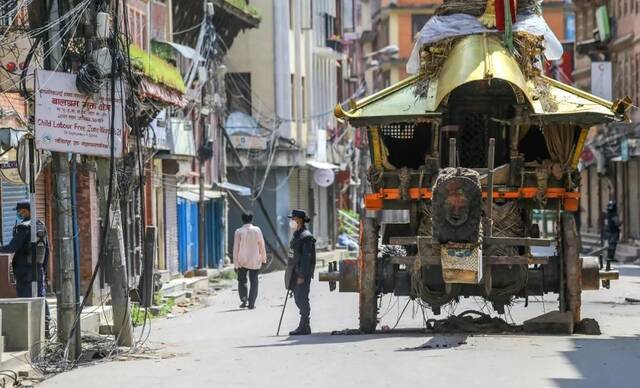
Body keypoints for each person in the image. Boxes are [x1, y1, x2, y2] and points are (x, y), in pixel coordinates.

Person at [0, 200, 50, 335]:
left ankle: (29, 333)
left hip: (24, 271)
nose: (18, 213)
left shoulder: (24, 227)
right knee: (40, 298)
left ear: (26, 211)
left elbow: (12, 247)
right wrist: (43, 270)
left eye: (19, 210)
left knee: (26, 301)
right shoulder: (40, 225)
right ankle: (45, 330)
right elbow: (47, 250)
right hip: (37, 269)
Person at [285, 209, 316, 335]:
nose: (292, 221)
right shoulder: (297, 234)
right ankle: (304, 325)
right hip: (295, 271)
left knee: (301, 298)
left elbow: (306, 257)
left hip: (302, 273)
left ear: (299, 220)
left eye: (293, 218)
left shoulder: (306, 236)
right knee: (298, 297)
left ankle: (304, 326)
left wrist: (302, 275)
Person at [233, 212, 267, 309]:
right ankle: (251, 303)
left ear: (242, 219)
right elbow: (261, 245)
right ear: (251, 219)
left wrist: (235, 264)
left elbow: (236, 249)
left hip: (242, 260)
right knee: (254, 281)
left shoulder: (238, 231)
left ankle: (244, 299)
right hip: (255, 260)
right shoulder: (257, 230)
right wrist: (263, 259)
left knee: (242, 281)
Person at [604, 200, 621, 271]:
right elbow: (617, 223)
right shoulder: (614, 215)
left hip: (609, 232)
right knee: (612, 245)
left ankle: (610, 257)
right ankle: (610, 257)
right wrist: (620, 223)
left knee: (611, 244)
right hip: (613, 232)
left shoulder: (608, 214)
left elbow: (606, 224)